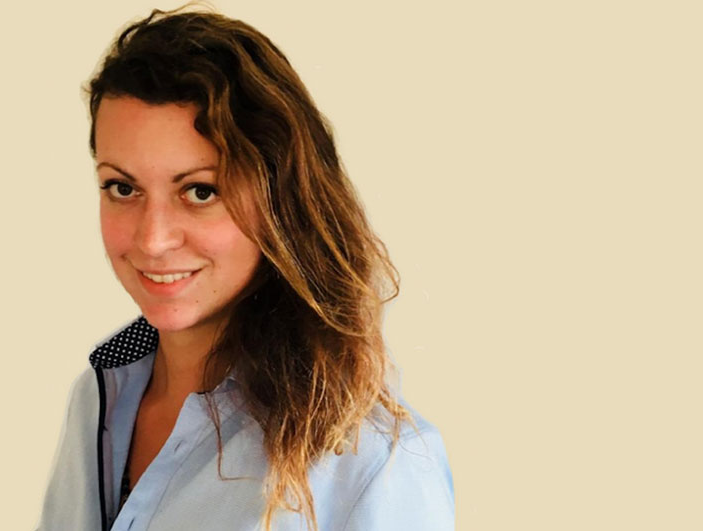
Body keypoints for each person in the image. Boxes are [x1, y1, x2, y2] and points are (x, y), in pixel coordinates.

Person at [38, 5, 454, 531]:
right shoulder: (96, 399)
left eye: (200, 191)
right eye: (123, 188)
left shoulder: (372, 463)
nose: (153, 239)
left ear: (281, 199)